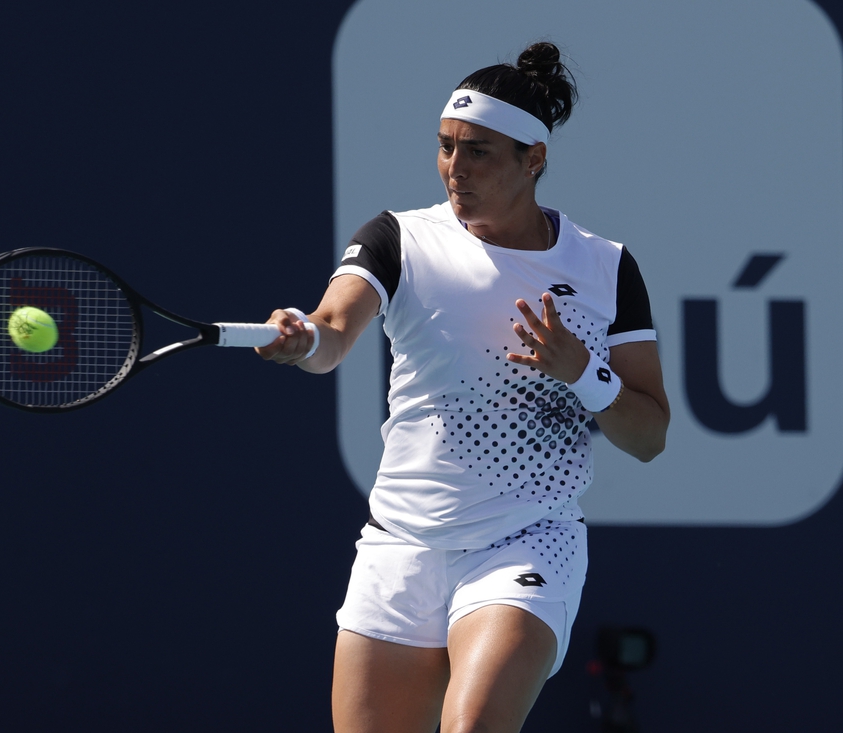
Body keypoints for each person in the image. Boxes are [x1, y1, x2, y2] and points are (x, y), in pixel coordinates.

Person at [257, 42, 669, 733]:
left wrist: (582, 373)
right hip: (401, 544)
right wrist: (303, 336)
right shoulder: (397, 238)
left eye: (478, 151)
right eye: (446, 146)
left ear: (533, 158)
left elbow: (650, 436)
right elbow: (332, 330)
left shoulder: (606, 269)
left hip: (527, 539)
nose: (455, 168)